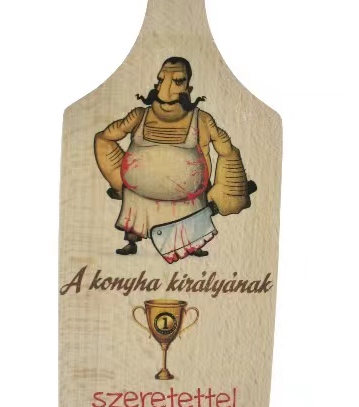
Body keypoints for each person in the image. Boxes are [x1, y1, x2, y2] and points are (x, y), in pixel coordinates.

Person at [94, 56, 251, 257]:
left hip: (188, 197)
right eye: (161, 80)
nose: (166, 91)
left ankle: (193, 244)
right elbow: (104, 139)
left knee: (191, 219)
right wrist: (119, 180)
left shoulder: (202, 119)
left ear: (188, 88)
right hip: (138, 194)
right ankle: (132, 241)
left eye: (177, 81)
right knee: (135, 212)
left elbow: (227, 151)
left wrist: (229, 192)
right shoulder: (139, 116)